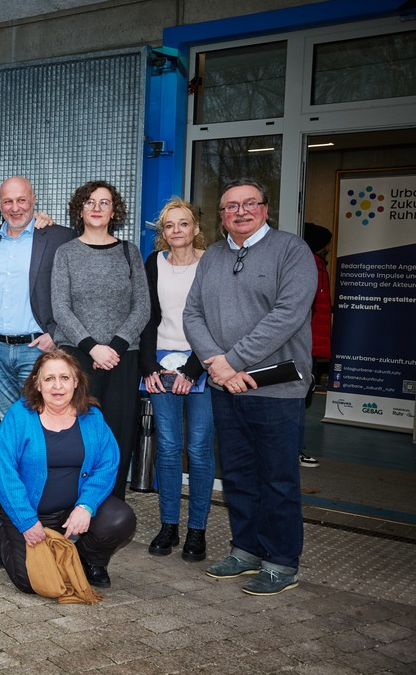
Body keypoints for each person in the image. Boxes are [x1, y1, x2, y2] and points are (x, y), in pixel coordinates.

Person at [183, 178, 316, 596]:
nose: (240, 212)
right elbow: (192, 314)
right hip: (226, 386)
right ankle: (246, 549)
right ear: (221, 216)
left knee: (277, 478)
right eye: (231, 206)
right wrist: (218, 364)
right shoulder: (213, 256)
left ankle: (281, 561)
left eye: (249, 203)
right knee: (238, 475)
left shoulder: (292, 250)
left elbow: (288, 315)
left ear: (265, 209)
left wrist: (232, 361)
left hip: (276, 388)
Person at [0, 350, 137, 591]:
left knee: (120, 518)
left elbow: (107, 464)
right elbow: (3, 470)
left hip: (72, 513)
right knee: (32, 583)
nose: (57, 386)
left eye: (64, 378)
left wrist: (86, 506)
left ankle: (89, 559)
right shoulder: (20, 416)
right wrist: (26, 521)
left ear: (76, 382)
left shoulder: (92, 417)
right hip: (29, 514)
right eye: (49, 378)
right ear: (37, 383)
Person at [51, 181, 150, 502]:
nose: (97, 208)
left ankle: (111, 506)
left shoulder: (129, 252)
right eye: (90, 202)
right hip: (77, 357)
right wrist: (93, 348)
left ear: (114, 211)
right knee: (78, 432)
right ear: (79, 209)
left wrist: (114, 347)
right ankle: (75, 504)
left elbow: (143, 307)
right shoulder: (66, 253)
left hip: (123, 358)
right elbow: (60, 307)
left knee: (118, 434)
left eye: (104, 203)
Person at [138, 198, 213, 561]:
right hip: (162, 366)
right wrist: (149, 367)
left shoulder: (211, 263)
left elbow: (215, 320)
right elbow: (148, 317)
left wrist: (194, 370)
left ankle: (197, 530)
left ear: (195, 228)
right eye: (170, 225)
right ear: (163, 233)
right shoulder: (154, 262)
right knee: (168, 448)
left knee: (198, 449)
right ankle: (168, 525)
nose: (177, 230)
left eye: (184, 223)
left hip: (202, 365)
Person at [0, 176, 76, 419]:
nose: (15, 208)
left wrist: (56, 334)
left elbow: (76, 292)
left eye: (21, 200)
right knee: (9, 420)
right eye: (8, 201)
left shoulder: (58, 237)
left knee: (42, 419)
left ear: (33, 200)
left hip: (36, 350)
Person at [300, 222, 333, 468]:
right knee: (299, 399)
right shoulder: (310, 264)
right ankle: (293, 450)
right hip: (303, 344)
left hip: (309, 343)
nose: (328, 249)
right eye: (326, 244)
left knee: (303, 398)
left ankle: (293, 449)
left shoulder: (317, 265)